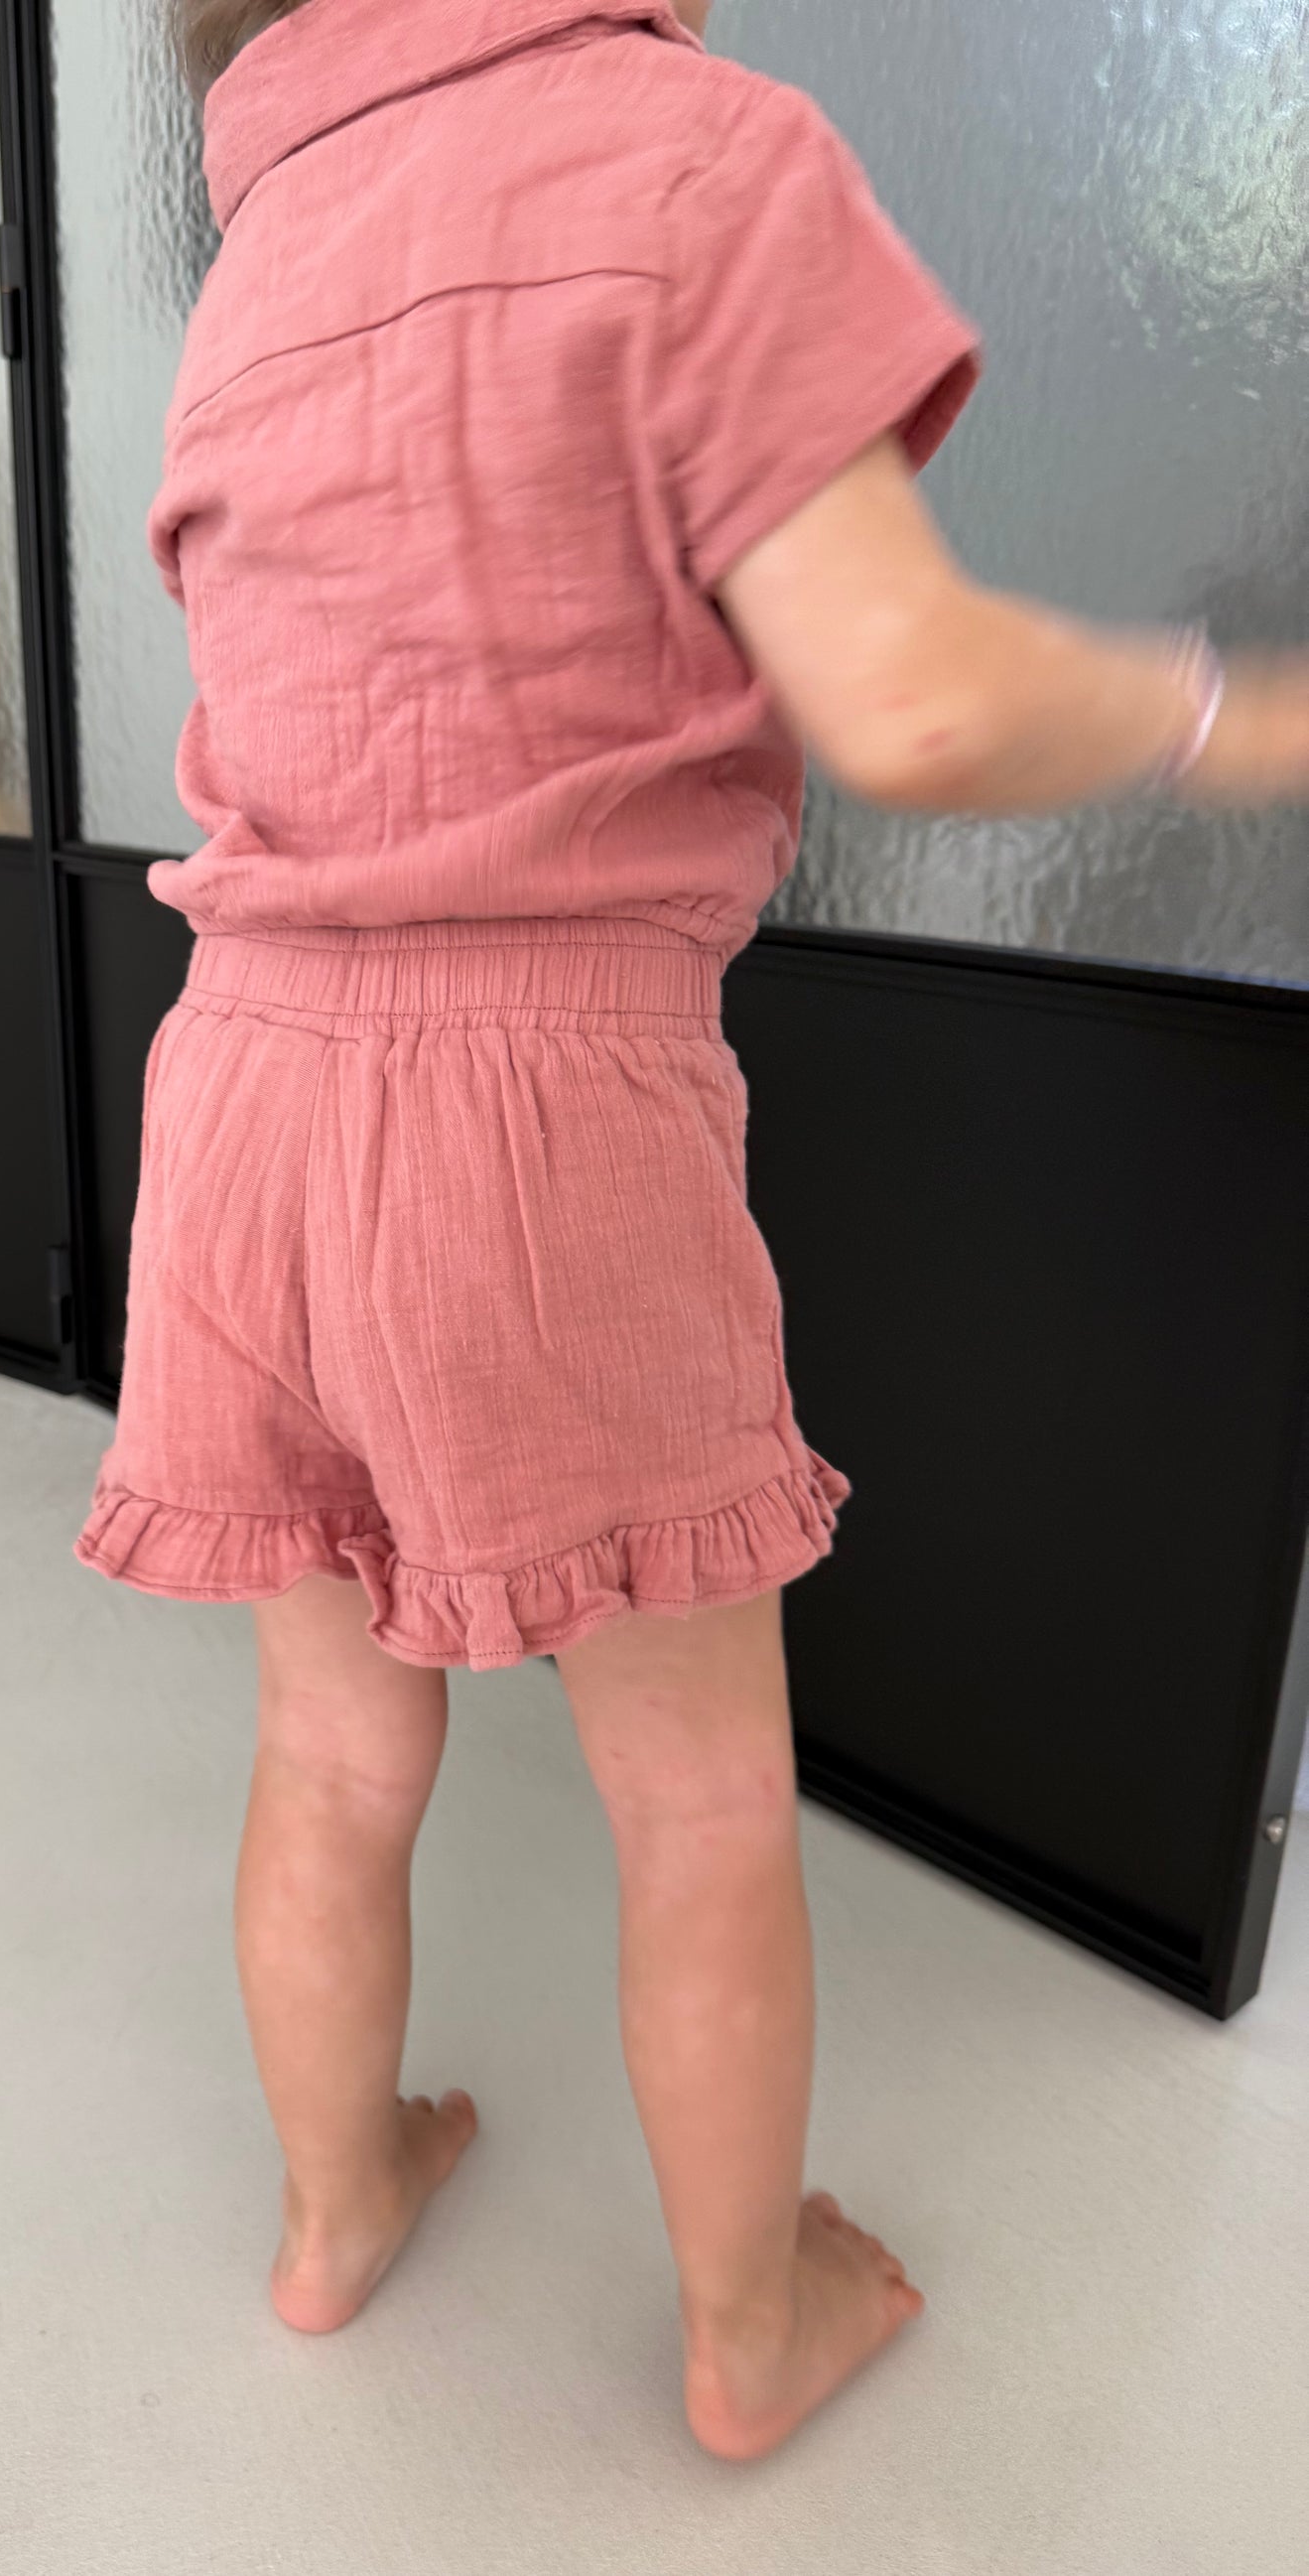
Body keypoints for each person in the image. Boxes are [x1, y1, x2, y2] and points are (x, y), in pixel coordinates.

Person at [75, 0, 1309, 2461]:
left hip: (233, 1084)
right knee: (702, 1799)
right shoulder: (690, 156)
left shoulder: (269, 233)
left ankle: (333, 2208)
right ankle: (750, 2327)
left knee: (328, 1744)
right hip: (542, 1109)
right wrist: (1234, 713)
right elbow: (916, 702)